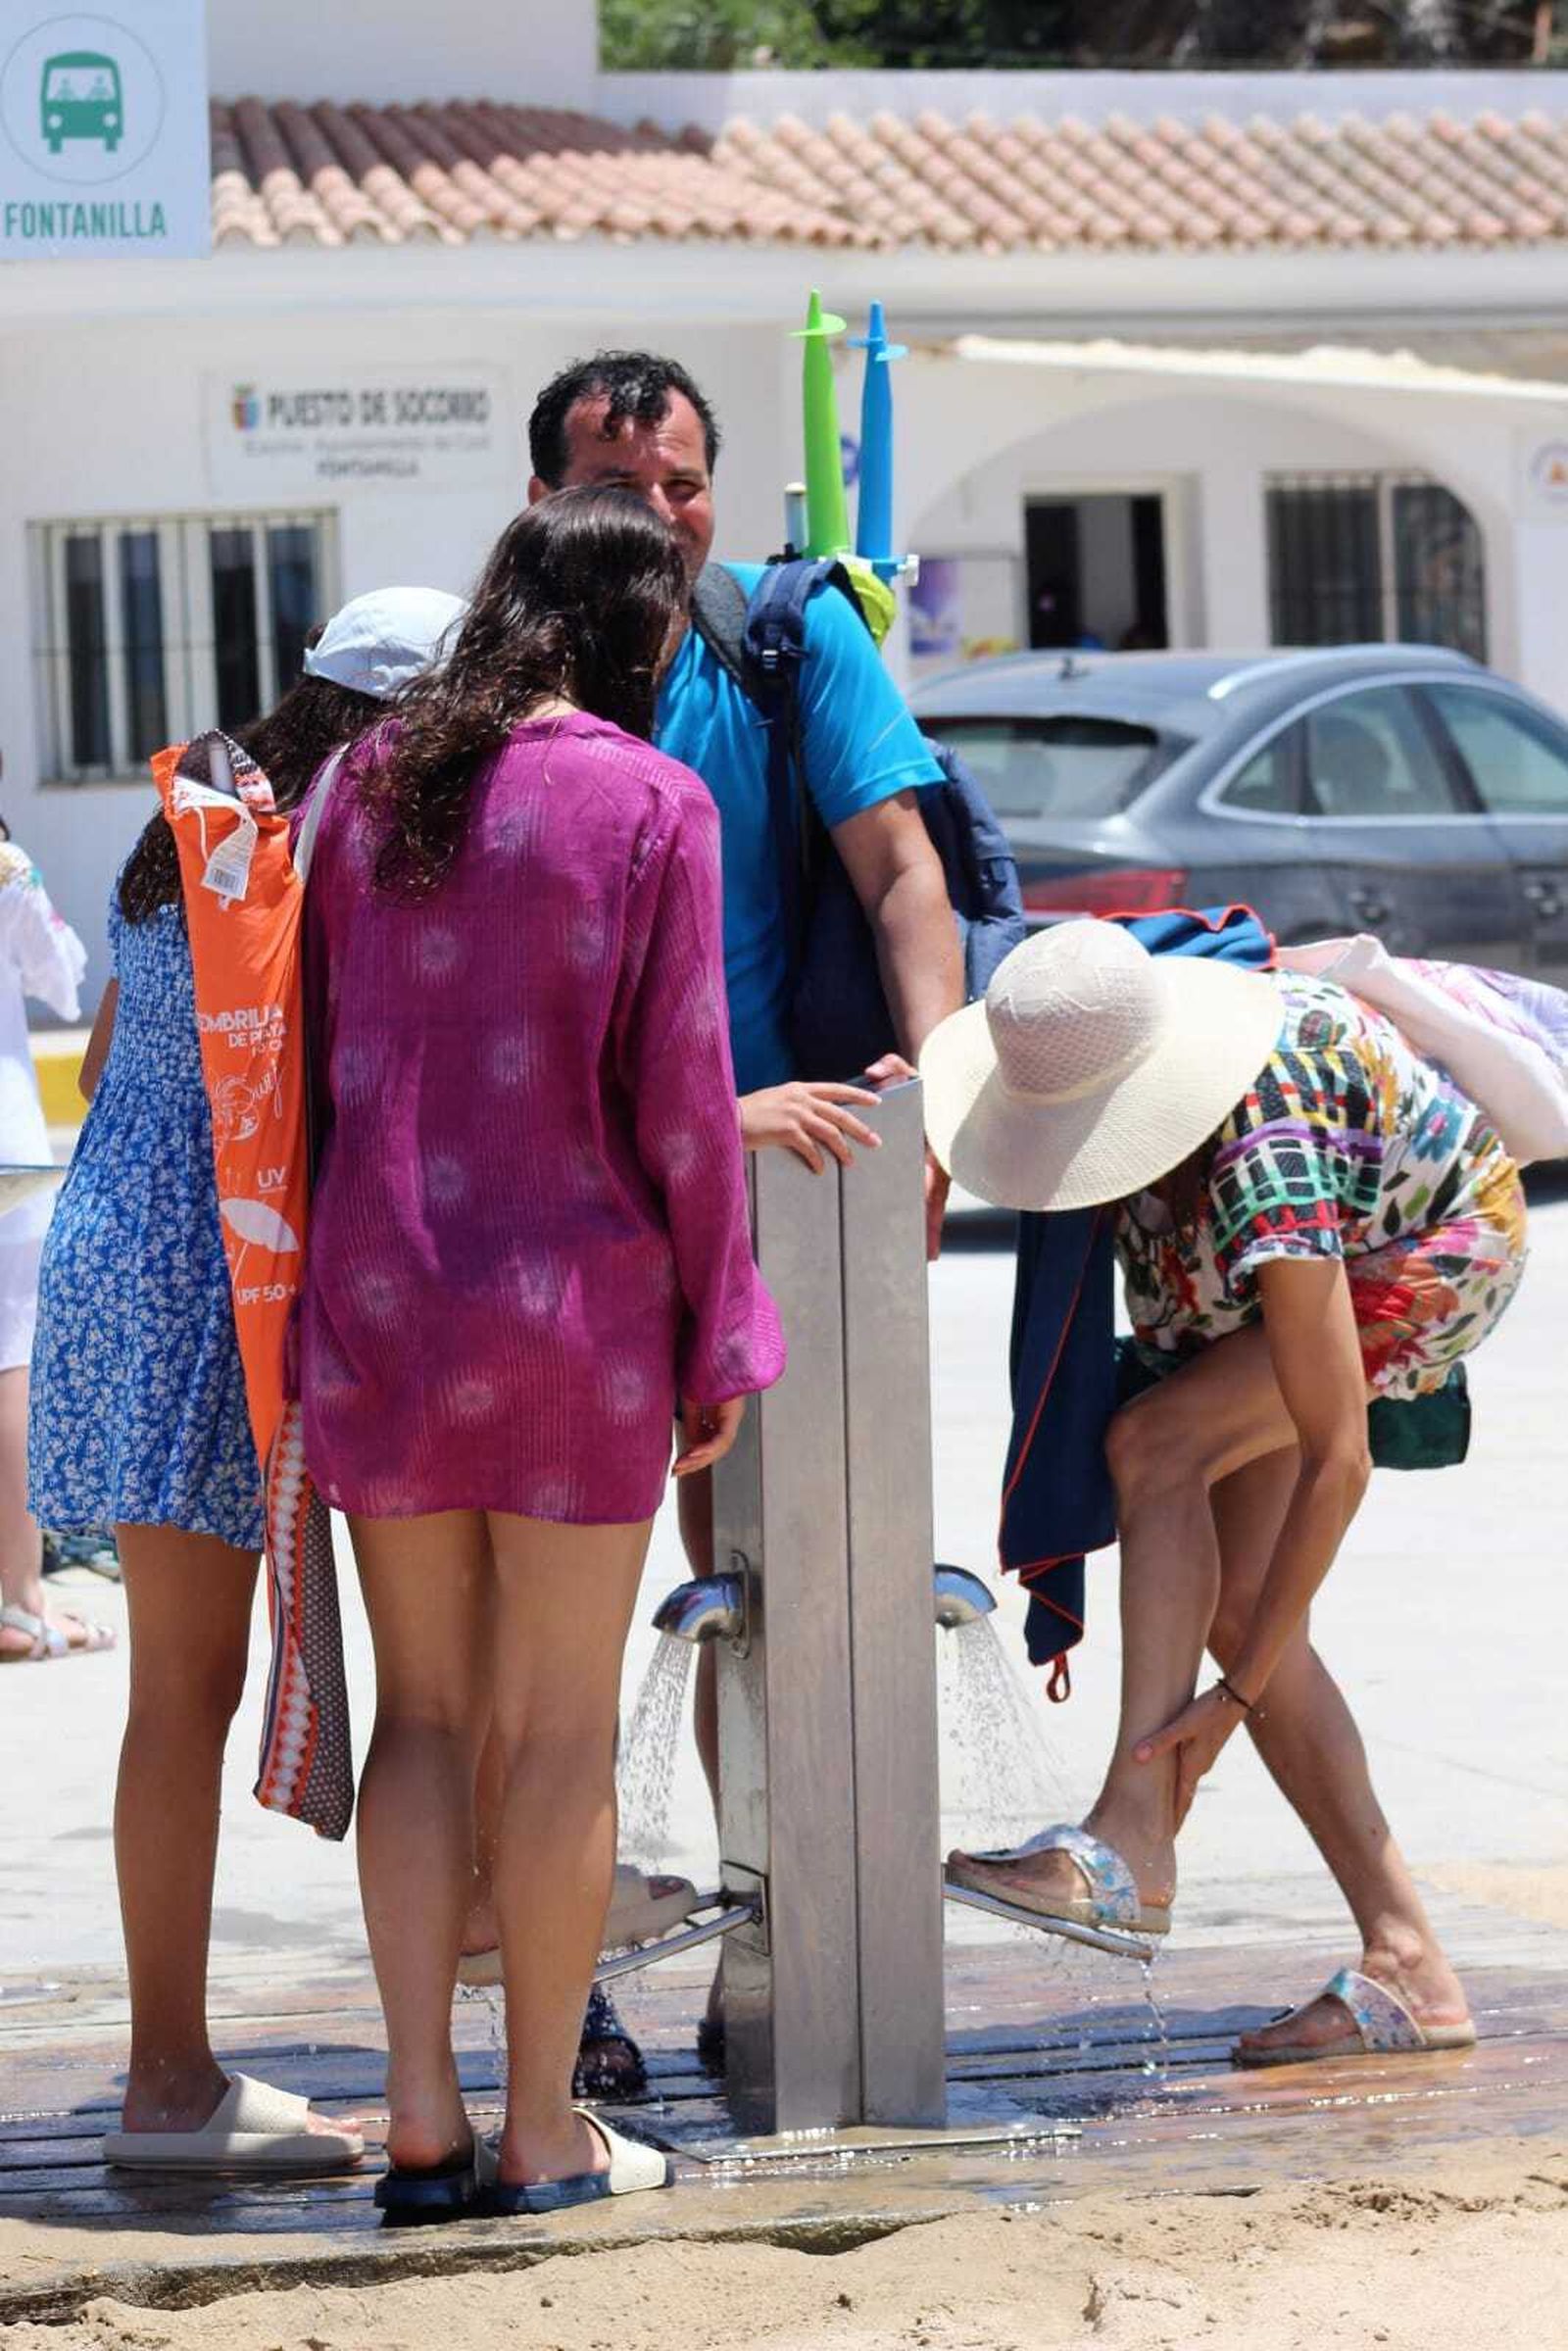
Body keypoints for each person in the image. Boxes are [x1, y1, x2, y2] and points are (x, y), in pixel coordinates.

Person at [458, 351, 965, 2072]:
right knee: (542, 1634)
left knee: (771, 1589)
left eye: (683, 484)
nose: (660, 518)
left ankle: (778, 1964)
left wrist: (936, 1083)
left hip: (785, 1191)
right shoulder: (495, 693)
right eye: (621, 488)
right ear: (545, 504)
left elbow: (904, 871)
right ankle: (560, 1992)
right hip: (573, 1217)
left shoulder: (788, 642)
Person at [298, 486, 783, 2219]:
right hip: (575, 1316)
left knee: (424, 1715)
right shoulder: (650, 799)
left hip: (379, 1302)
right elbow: (688, 1103)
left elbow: (310, 1057)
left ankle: (419, 2116)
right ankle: (544, 2128)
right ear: (639, 632)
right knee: (562, 1734)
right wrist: (725, 1330)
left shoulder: (363, 783)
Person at [26, 587, 463, 2168]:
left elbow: (113, 1045)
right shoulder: (329, 847)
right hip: (219, 1266)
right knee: (201, 1687)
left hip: (111, 1247)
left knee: (174, 1685)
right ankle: (166, 2078)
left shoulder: (198, 820)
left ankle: (173, 2065)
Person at [930, 920, 1526, 2066]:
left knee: (1155, 1447)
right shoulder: (1102, 1047)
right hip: (1265, 1243)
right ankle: (1407, 1959)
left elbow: (1336, 1455)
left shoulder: (1267, 1149)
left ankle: (1129, 1835)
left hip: (1425, 1247)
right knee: (1239, 1599)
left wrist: (1237, 1694)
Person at [0, 816, 102, 1663]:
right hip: (7, 1145)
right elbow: (64, 981)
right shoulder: (5, 868)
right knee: (11, 1362)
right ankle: (19, 1597)